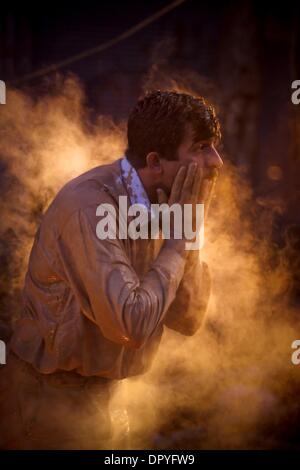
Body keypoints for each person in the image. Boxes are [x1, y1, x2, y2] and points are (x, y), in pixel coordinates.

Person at [0, 90, 223, 449]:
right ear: (154, 161)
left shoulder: (165, 202)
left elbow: (187, 317)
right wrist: (178, 240)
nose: (216, 162)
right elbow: (130, 326)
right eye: (200, 147)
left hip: (104, 400)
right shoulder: (89, 207)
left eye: (214, 146)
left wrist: (190, 231)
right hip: (47, 403)